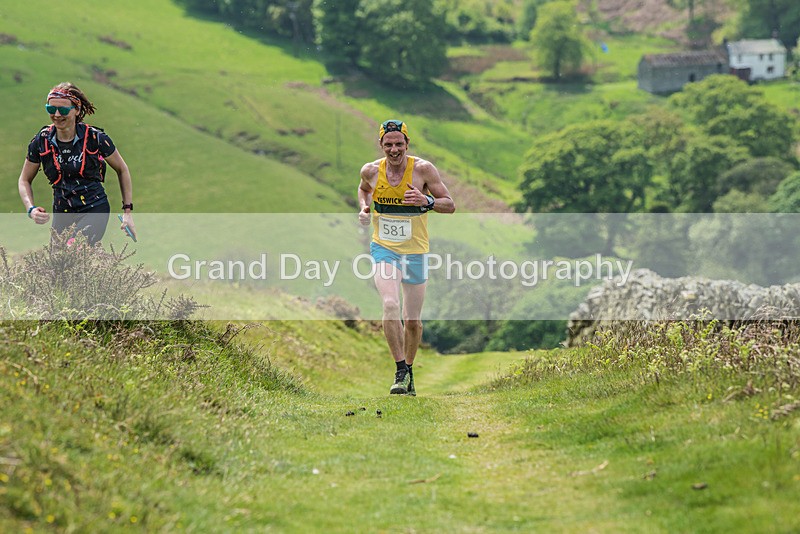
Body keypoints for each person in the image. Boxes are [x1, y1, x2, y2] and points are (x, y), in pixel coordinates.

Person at [358, 120, 455, 395]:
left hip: (415, 251)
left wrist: (428, 202)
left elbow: (450, 205)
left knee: (412, 320)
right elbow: (364, 189)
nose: (394, 149)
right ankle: (400, 369)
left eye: (399, 144)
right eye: (388, 144)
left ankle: (410, 370)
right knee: (389, 304)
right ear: (381, 145)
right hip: (384, 248)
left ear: (407, 144)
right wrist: (365, 208)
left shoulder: (423, 170)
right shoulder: (370, 171)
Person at [18, 82, 136, 245]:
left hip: (94, 207)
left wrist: (127, 213)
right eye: (51, 109)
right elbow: (24, 180)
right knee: (58, 265)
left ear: (77, 111)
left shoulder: (96, 138)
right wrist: (31, 209)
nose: (57, 115)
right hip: (62, 210)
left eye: (64, 110)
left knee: (73, 248)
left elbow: (122, 169)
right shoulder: (41, 141)